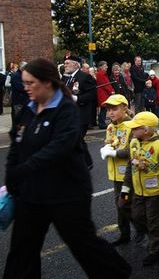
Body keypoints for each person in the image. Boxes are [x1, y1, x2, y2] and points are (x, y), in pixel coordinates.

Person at [4, 58, 131, 279]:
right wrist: (11, 173)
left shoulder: (66, 110)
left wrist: (24, 170)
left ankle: (117, 273)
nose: (26, 87)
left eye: (30, 82)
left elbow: (58, 148)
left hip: (66, 192)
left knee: (83, 245)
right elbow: (16, 144)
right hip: (32, 193)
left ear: (47, 83)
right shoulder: (27, 111)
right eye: (24, 82)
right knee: (22, 251)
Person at [122, 112, 159, 266]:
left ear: (146, 130)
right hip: (137, 190)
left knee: (153, 220)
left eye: (135, 128)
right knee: (137, 215)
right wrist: (126, 188)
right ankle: (158, 234)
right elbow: (130, 165)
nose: (132, 131)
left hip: (154, 191)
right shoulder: (134, 142)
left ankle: (156, 250)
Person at [99, 94, 138, 246]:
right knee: (119, 205)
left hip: (128, 174)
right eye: (109, 110)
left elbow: (133, 151)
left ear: (125, 108)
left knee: (125, 204)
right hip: (115, 173)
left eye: (114, 109)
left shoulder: (132, 126)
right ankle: (125, 234)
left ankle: (146, 229)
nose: (110, 113)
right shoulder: (110, 126)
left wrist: (114, 153)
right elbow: (110, 142)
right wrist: (107, 147)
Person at [61, 55, 96, 168]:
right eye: (65, 63)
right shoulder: (65, 78)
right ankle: (82, 162)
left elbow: (92, 94)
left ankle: (87, 163)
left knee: (76, 138)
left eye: (67, 63)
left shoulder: (85, 77)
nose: (65, 65)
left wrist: (77, 99)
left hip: (81, 114)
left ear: (76, 64)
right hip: (67, 115)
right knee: (75, 140)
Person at [96, 61, 115, 130]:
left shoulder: (102, 74)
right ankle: (101, 123)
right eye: (105, 66)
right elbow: (105, 84)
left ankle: (102, 123)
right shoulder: (100, 74)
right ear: (101, 67)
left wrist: (111, 90)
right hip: (103, 93)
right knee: (103, 109)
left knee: (104, 109)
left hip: (104, 93)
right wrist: (111, 91)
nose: (107, 67)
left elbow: (107, 84)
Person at [10, 61, 29, 128]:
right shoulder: (16, 76)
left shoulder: (23, 75)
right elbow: (20, 87)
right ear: (22, 68)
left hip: (24, 101)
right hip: (18, 102)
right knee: (19, 120)